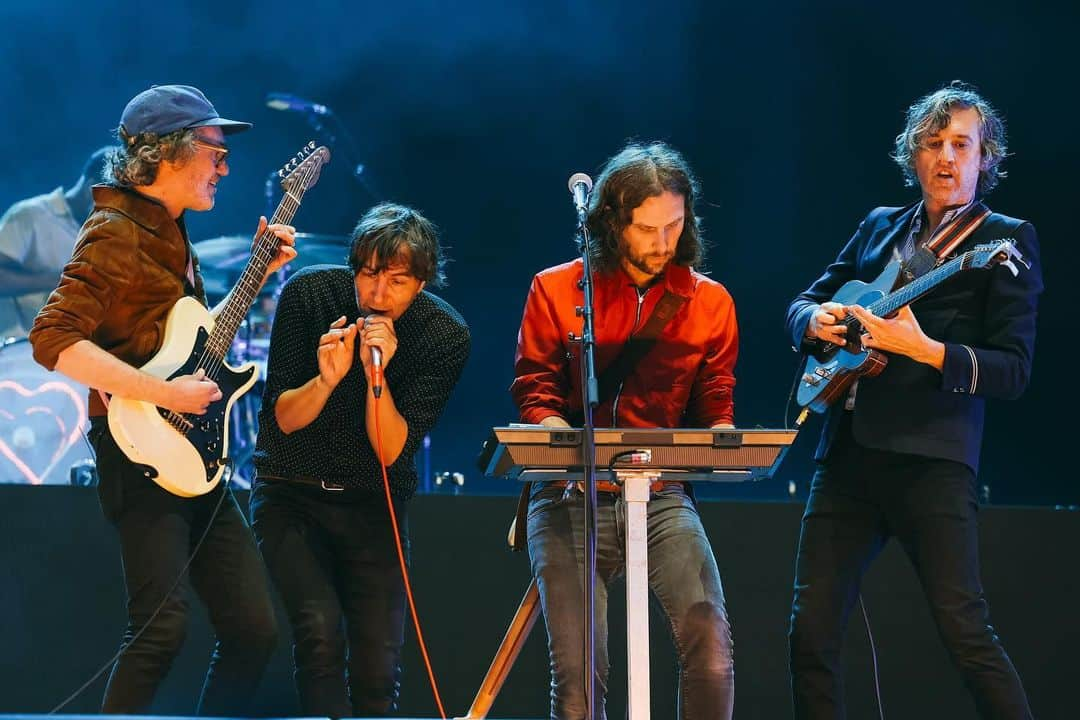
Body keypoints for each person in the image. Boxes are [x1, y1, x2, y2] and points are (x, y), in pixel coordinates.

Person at [29, 84, 296, 713]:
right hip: (139, 448)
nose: (225, 167)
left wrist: (260, 270)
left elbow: (186, 343)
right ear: (168, 153)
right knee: (159, 631)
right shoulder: (117, 231)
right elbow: (52, 339)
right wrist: (161, 391)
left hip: (191, 452)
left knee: (254, 630)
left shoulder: (172, 234)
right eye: (214, 152)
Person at [785, 82, 1040, 719]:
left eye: (962, 144)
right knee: (809, 633)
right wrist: (813, 323)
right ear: (914, 154)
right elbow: (802, 303)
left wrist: (925, 350)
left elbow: (1014, 371)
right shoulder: (879, 226)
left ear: (986, 159)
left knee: (966, 634)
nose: (947, 157)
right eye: (933, 143)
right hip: (846, 457)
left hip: (933, 460)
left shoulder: (1006, 240)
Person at [511, 141, 738, 720]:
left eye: (674, 226)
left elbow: (715, 398)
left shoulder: (709, 302)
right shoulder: (558, 289)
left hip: (660, 496)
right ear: (611, 223)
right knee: (582, 678)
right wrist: (565, 453)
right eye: (645, 228)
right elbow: (535, 389)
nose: (662, 244)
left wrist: (726, 437)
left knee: (710, 648)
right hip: (567, 497)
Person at [249, 202, 470, 716]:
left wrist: (377, 375)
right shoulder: (309, 292)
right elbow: (282, 417)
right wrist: (327, 378)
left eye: (395, 281)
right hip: (291, 492)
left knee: (378, 668)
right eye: (367, 276)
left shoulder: (443, 334)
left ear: (421, 284)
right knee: (320, 636)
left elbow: (391, 448)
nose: (376, 294)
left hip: (374, 502)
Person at [0, 146, 111, 340]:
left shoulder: (106, 231)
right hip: (19, 350)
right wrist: (60, 279)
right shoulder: (29, 215)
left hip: (73, 351)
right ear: (92, 187)